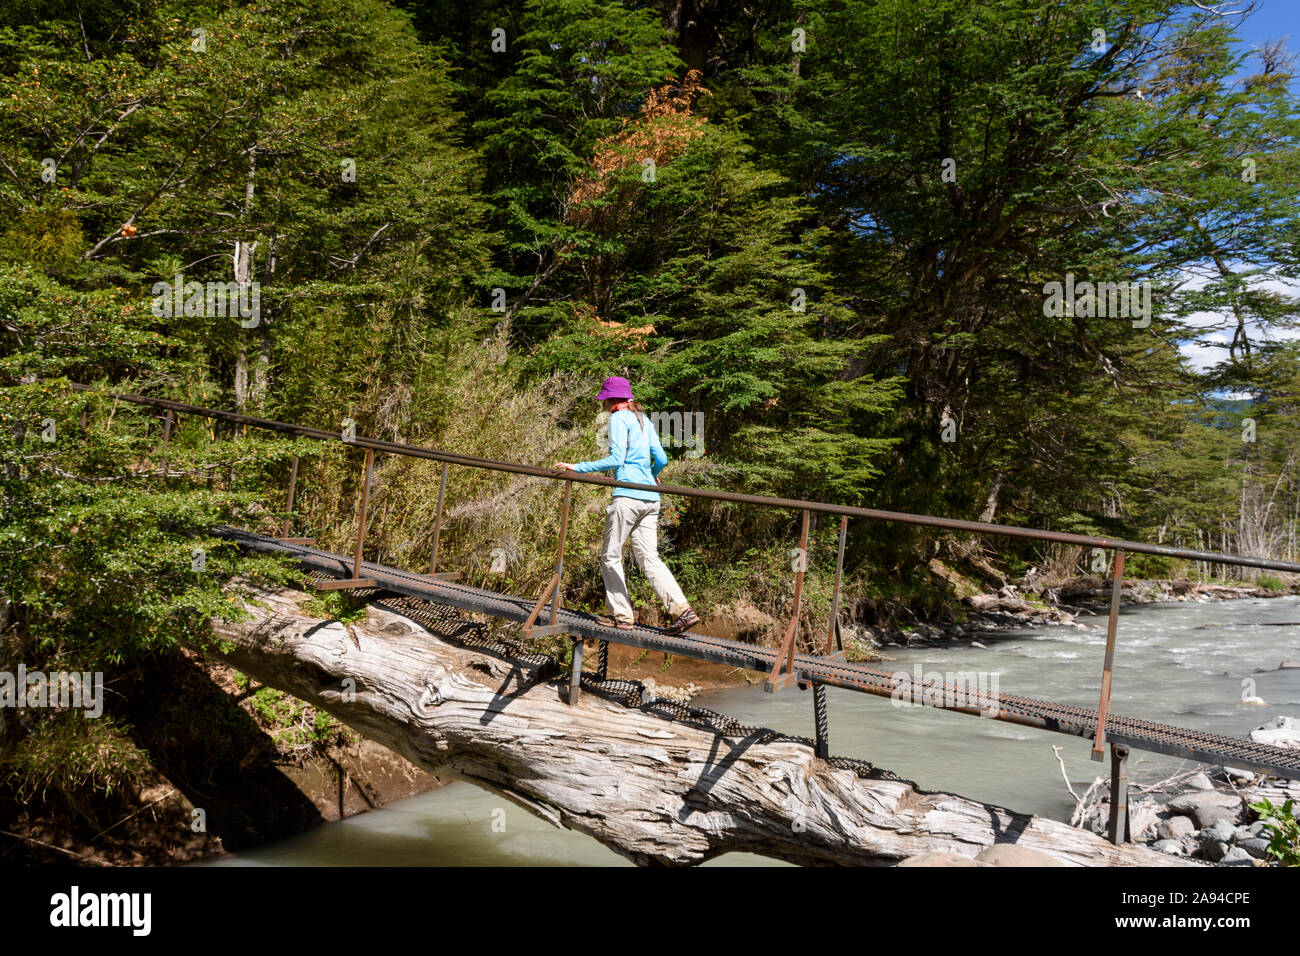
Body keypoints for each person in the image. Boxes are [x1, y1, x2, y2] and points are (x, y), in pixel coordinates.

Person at [553, 376, 700, 633]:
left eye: (604, 399)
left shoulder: (618, 418)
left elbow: (616, 458)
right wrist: (650, 474)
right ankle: (683, 610)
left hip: (628, 497)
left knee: (611, 556)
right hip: (650, 497)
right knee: (649, 558)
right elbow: (663, 459)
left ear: (611, 399)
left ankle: (622, 616)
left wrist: (578, 467)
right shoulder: (645, 419)